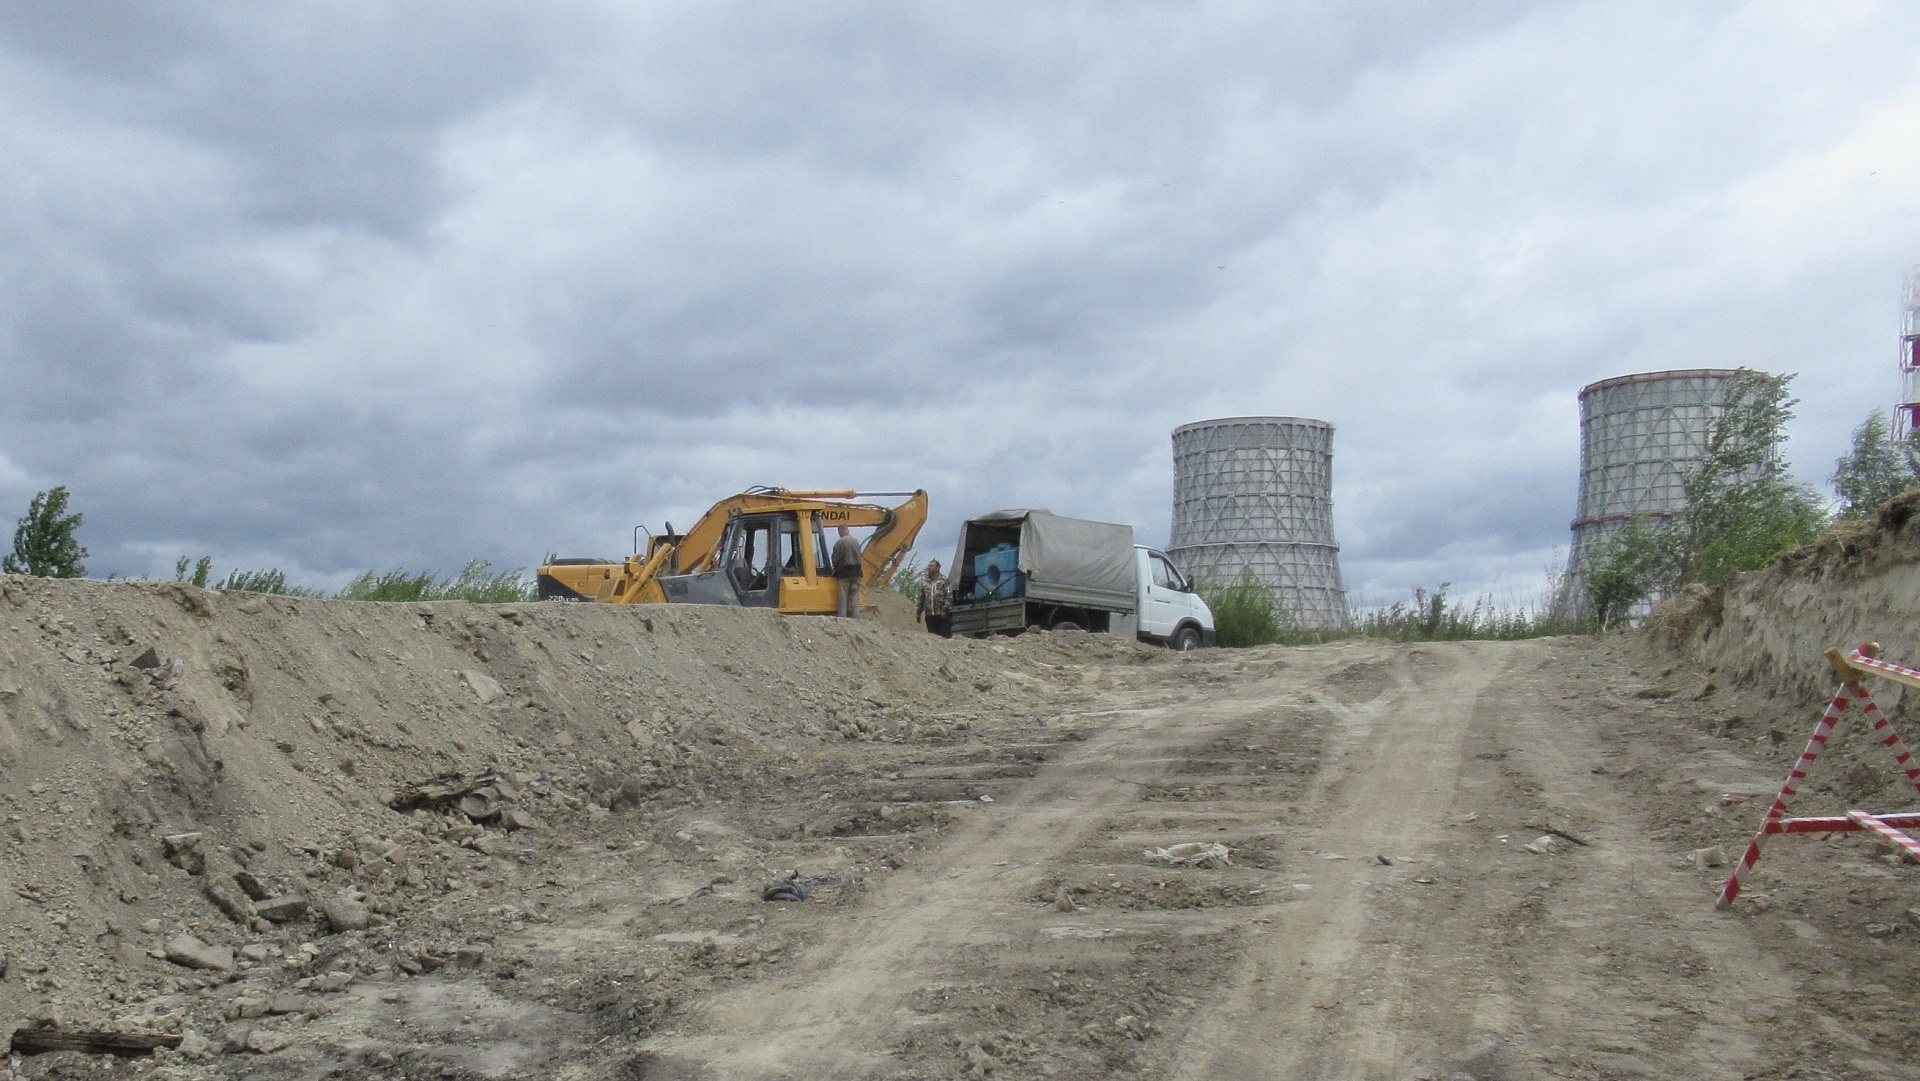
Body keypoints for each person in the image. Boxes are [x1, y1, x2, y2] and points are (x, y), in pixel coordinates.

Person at [831, 526, 864, 618]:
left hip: (845, 573)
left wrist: (835, 569)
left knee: (843, 598)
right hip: (857, 573)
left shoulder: (840, 542)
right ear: (848, 530)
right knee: (854, 597)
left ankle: (842, 619)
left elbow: (835, 559)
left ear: (840, 531)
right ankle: (856, 618)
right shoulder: (856, 541)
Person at [916, 559, 952, 638]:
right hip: (929, 616)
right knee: (933, 639)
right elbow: (921, 598)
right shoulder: (925, 582)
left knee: (944, 638)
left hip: (941, 615)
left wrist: (945, 609)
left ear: (937, 568)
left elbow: (949, 595)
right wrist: (918, 613)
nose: (929, 567)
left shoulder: (944, 580)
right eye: (929, 566)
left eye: (931, 566)